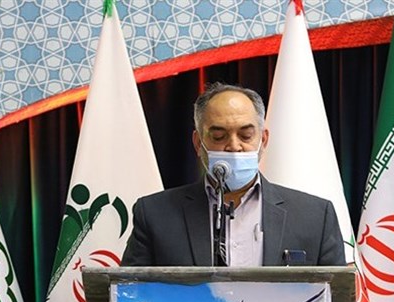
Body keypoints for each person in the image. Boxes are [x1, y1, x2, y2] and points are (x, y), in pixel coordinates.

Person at [121, 82, 345, 267]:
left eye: (246, 135)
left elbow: (336, 300)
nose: (234, 146)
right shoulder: (155, 214)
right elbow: (129, 295)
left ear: (263, 140)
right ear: (198, 143)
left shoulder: (315, 216)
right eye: (219, 137)